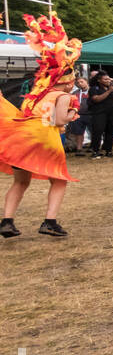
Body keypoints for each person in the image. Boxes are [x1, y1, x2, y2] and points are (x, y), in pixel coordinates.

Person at [0, 13, 81, 238]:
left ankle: (7, 221)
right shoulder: (61, 95)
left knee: (21, 181)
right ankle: (49, 221)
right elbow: (59, 120)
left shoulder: (35, 95)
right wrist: (74, 111)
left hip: (22, 137)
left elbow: (41, 116)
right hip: (44, 139)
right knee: (59, 180)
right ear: (68, 81)